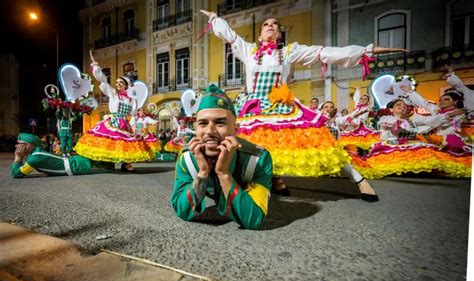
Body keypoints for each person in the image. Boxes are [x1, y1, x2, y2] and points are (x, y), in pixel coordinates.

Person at [200, 10, 404, 197]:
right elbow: (229, 35)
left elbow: (324, 52)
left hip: (280, 107)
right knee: (238, 145)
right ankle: (250, 182)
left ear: (279, 34)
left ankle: (359, 179)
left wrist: (367, 51)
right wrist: (215, 19)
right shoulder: (249, 51)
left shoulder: (288, 52)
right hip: (253, 108)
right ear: (260, 35)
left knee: (318, 142)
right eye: (266, 24)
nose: (270, 25)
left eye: (275, 24)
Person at [171, 84, 273, 229]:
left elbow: (254, 219)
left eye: (220, 123)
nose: (210, 131)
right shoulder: (186, 159)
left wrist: (224, 174)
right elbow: (182, 210)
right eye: (203, 123)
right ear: (196, 128)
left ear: (235, 130)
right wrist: (203, 173)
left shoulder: (258, 160)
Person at [74, 51, 158, 172]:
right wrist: (95, 65)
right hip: (113, 120)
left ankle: (126, 164)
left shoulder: (131, 100)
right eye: (117, 82)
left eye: (121, 83)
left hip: (124, 122)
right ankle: (104, 163)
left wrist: (137, 129)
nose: (118, 84)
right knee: (108, 141)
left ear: (126, 85)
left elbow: (134, 115)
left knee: (126, 143)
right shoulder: (113, 94)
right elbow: (103, 81)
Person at [351, 99, 471, 179]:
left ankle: (422, 170)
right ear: (391, 109)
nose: (402, 107)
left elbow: (430, 121)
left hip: (410, 143)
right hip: (390, 143)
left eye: (404, 106)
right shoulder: (387, 118)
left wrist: (450, 115)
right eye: (398, 105)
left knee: (427, 150)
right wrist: (396, 129)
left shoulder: (412, 120)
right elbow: (395, 131)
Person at [11, 133, 114, 178]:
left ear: (29, 145)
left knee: (103, 164)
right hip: (75, 163)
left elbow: (17, 173)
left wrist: (18, 158)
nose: (17, 146)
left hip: (76, 165)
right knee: (99, 161)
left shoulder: (35, 158)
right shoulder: (35, 155)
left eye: (20, 144)